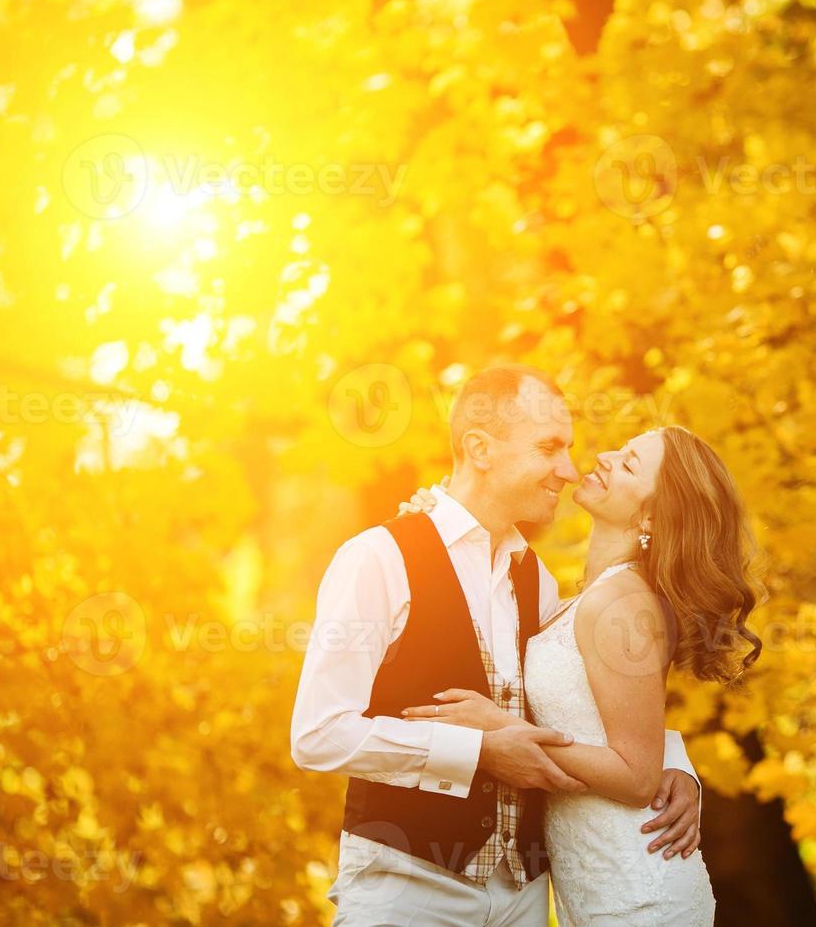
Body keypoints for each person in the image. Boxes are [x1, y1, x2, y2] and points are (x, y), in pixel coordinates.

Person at [291, 366, 707, 925]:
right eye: (548, 448)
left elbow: (579, 700)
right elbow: (317, 736)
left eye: (569, 450)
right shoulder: (378, 557)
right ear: (480, 449)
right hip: (409, 888)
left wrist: (674, 767)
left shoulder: (536, 581)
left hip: (526, 893)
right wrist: (477, 752)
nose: (569, 468)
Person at [400, 422, 761, 925]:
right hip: (590, 890)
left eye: (630, 463)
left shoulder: (622, 602)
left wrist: (501, 728)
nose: (606, 457)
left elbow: (636, 778)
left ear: (654, 514)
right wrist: (433, 524)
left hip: (637, 892)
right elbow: (608, 722)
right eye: (622, 447)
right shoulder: (573, 597)